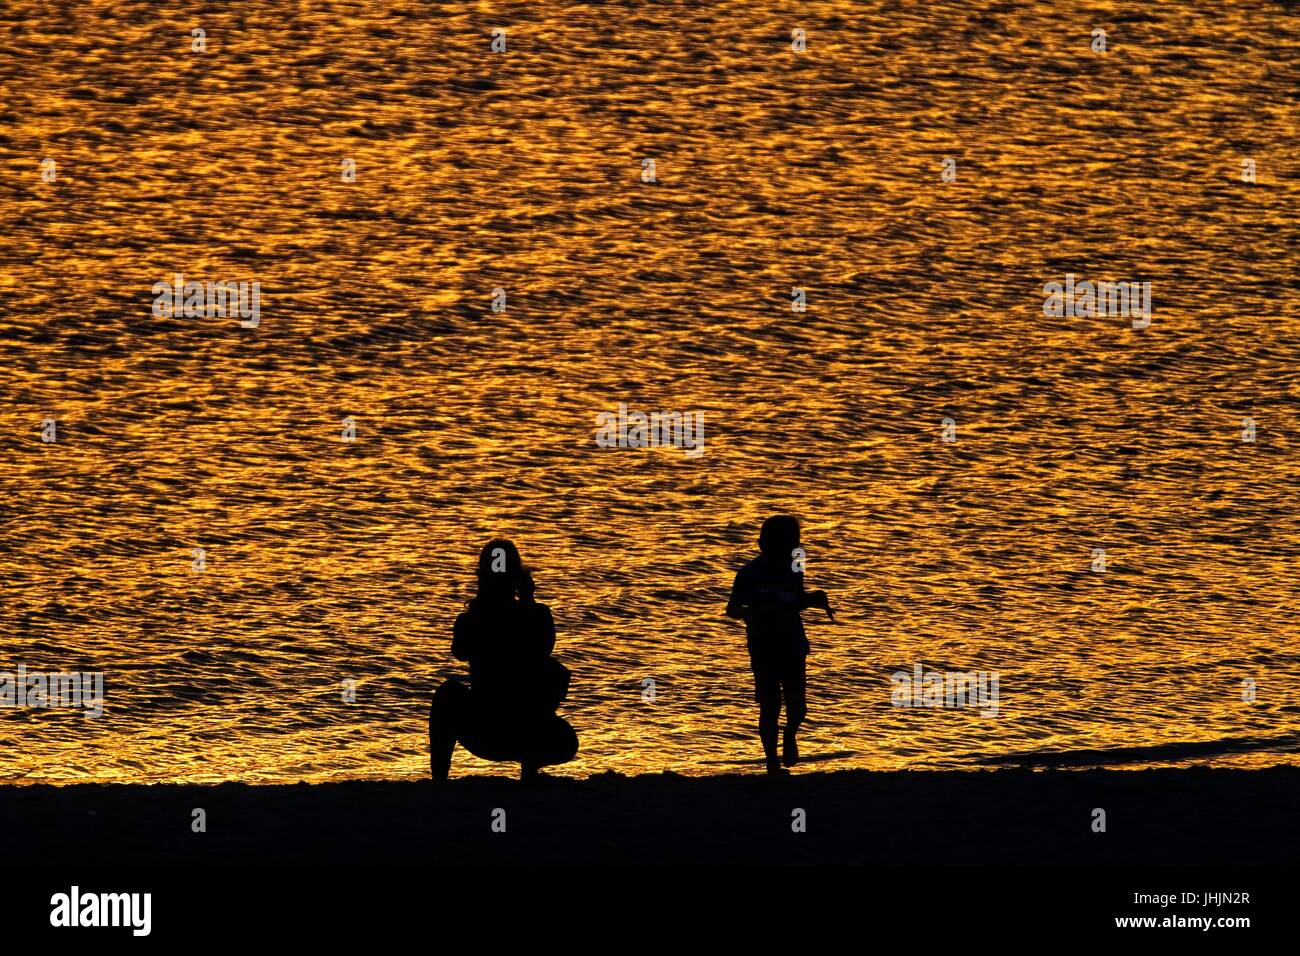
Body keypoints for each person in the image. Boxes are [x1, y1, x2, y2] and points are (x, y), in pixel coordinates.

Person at [429, 539, 578, 783]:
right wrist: (525, 602)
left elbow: (542, 647)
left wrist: (524, 604)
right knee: (448, 693)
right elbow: (461, 650)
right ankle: (442, 779)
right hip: (495, 729)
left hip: (503, 729)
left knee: (447, 695)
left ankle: (440, 780)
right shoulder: (520, 615)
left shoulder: (481, 618)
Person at [725, 515, 832, 775]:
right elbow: (731, 608)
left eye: (792, 545)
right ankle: (771, 761)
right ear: (762, 544)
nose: (789, 550)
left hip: (793, 643)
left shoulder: (795, 569)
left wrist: (815, 599)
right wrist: (748, 614)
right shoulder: (748, 574)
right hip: (763, 646)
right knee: (769, 705)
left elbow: (795, 601)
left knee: (798, 705)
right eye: (782, 545)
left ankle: (790, 734)